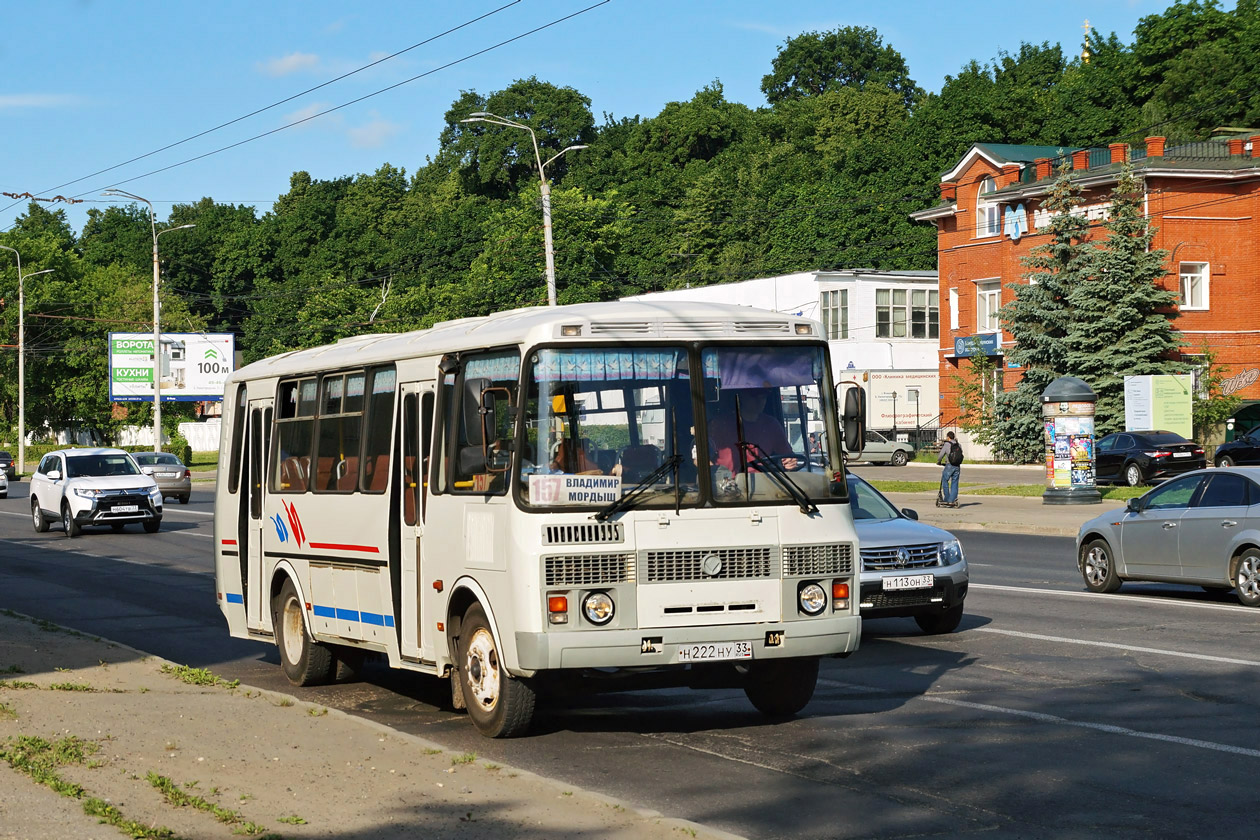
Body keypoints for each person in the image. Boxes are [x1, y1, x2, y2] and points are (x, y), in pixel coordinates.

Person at [708, 389, 798, 473]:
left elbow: (788, 455)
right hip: (728, 486)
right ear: (742, 396)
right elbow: (699, 459)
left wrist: (790, 461)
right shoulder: (719, 425)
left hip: (763, 485)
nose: (760, 401)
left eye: (763, 396)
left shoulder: (771, 425)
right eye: (754, 395)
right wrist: (715, 475)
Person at [937, 430, 961, 507]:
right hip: (957, 466)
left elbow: (941, 454)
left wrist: (939, 462)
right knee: (955, 482)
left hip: (949, 465)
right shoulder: (958, 444)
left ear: (948, 437)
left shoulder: (947, 444)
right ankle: (952, 500)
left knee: (945, 480)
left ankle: (947, 498)